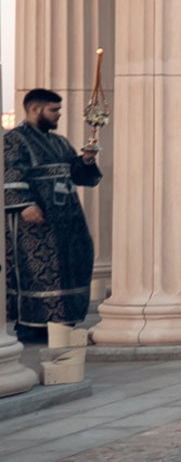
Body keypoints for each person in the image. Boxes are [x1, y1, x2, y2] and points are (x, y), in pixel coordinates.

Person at [5, 87, 101, 340]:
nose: (59, 115)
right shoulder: (14, 139)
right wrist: (25, 204)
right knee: (39, 270)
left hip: (68, 219)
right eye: (54, 110)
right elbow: (10, 172)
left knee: (74, 262)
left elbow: (78, 175)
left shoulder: (59, 142)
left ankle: (63, 324)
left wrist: (86, 161)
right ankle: (32, 326)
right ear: (35, 109)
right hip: (36, 221)